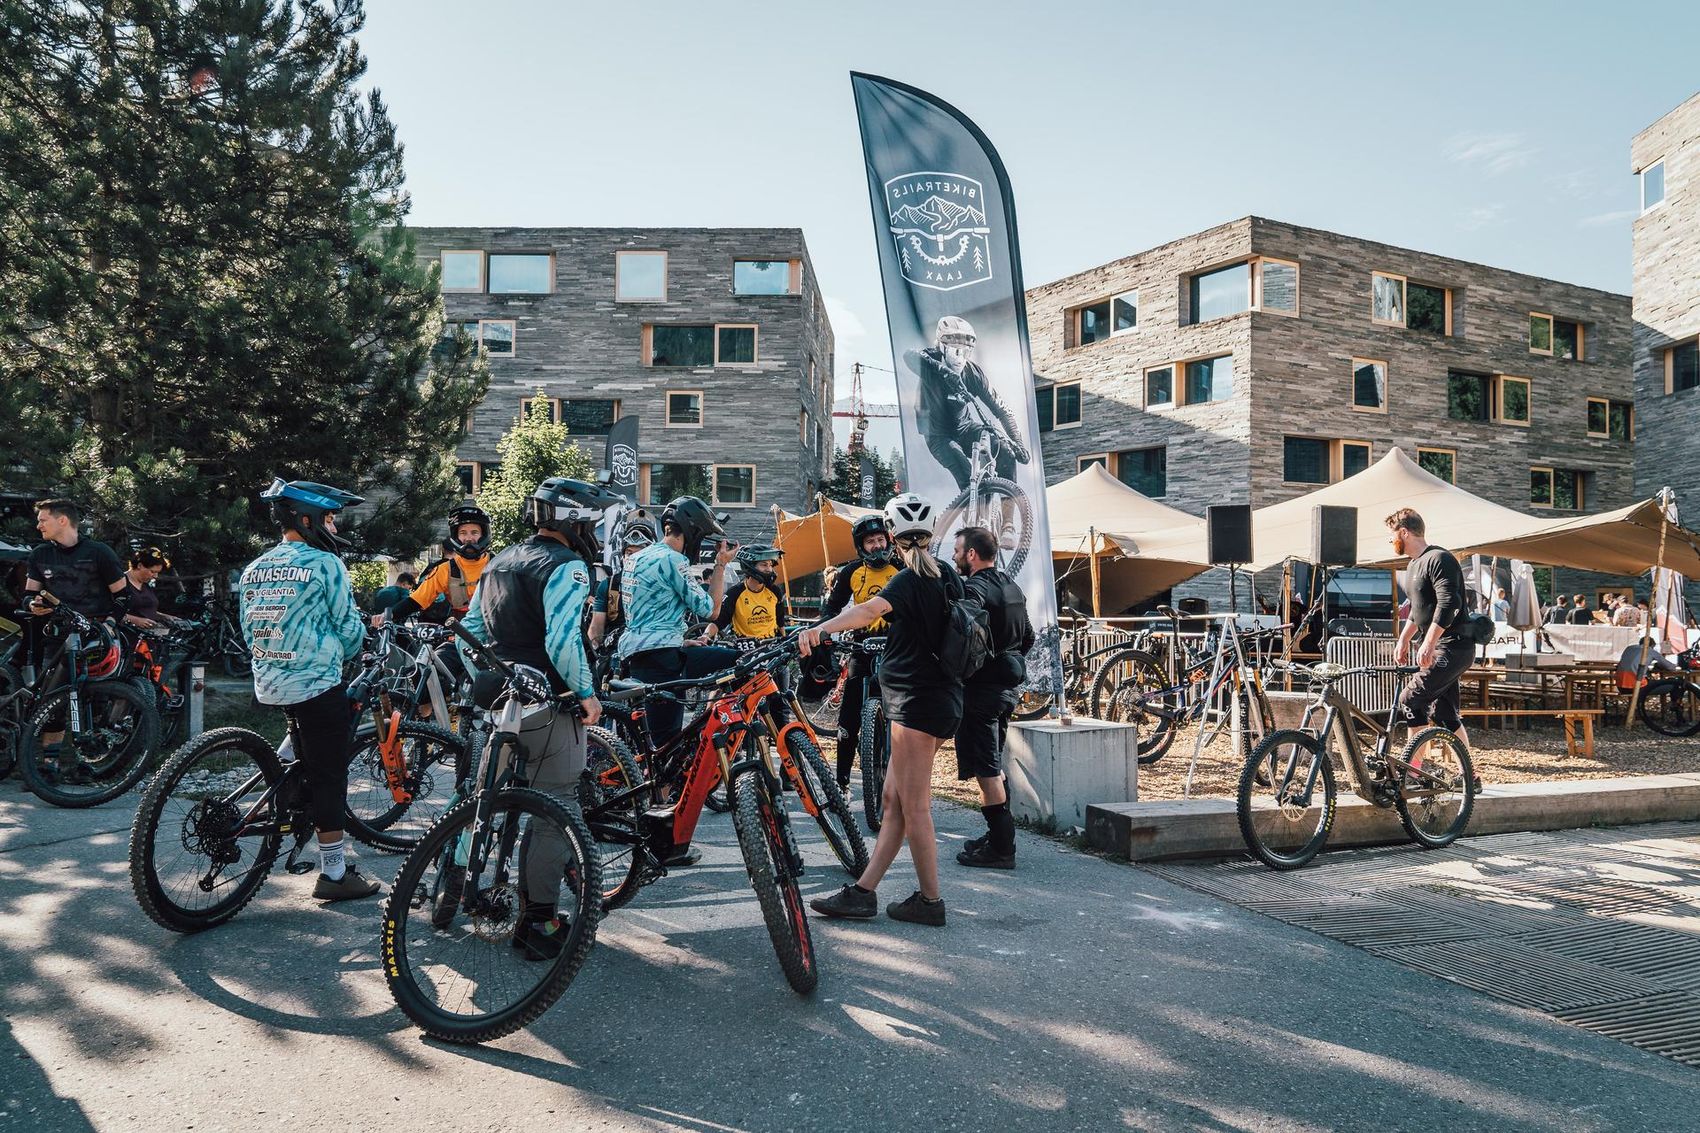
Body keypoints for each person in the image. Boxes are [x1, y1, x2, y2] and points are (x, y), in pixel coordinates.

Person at [455, 477, 610, 957]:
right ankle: (539, 922)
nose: (594, 529)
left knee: (482, 798)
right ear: (572, 520)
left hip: (498, 699)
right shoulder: (568, 567)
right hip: (547, 702)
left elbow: (469, 633)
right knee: (555, 807)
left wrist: (492, 674)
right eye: (591, 520)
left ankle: (452, 890)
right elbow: (563, 642)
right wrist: (586, 693)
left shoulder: (499, 560)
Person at [804, 493, 963, 927]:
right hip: (937, 700)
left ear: (893, 536)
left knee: (915, 807)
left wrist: (820, 629)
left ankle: (931, 902)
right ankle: (863, 893)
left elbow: (869, 610)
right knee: (892, 800)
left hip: (916, 705)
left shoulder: (909, 579)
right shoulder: (948, 574)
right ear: (931, 536)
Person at [238, 478, 379, 902]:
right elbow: (349, 630)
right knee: (329, 776)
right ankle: (334, 873)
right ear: (309, 518)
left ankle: (284, 782)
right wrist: (357, 642)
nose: (334, 529)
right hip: (315, 682)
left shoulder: (255, 566)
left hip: (269, 679)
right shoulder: (325, 564)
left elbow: (248, 627)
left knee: (304, 743)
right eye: (331, 519)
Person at [615, 496, 738, 746]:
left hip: (637, 655)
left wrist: (680, 641)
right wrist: (720, 565)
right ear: (691, 532)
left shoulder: (635, 558)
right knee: (666, 744)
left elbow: (648, 612)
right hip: (663, 661)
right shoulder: (673, 560)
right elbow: (712, 611)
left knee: (653, 740)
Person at [951, 526, 1034, 870]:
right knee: (993, 765)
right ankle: (996, 836)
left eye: (957, 550)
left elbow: (962, 631)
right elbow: (1027, 635)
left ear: (971, 554)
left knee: (986, 770)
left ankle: (1002, 848)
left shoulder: (975, 589)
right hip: (1006, 689)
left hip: (983, 692)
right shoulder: (1011, 586)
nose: (954, 556)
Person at [903, 316, 1031, 492]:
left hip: (965, 428)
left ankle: (1008, 517)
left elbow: (1002, 411)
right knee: (966, 476)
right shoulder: (930, 360)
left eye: (966, 352)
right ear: (941, 347)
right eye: (955, 351)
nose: (960, 358)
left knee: (1005, 450)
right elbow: (908, 356)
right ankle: (969, 509)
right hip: (938, 436)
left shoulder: (973, 373)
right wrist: (944, 372)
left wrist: (1018, 442)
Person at [821, 513, 899, 789]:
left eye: (880, 539)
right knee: (849, 715)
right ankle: (841, 783)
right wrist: (825, 632)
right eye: (870, 542)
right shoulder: (851, 572)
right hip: (861, 646)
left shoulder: (902, 568)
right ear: (860, 546)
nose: (877, 545)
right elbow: (831, 608)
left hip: (896, 648)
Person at [1387, 508, 1471, 751]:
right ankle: (1469, 775)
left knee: (1410, 700)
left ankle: (1413, 771)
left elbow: (1449, 603)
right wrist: (1404, 640)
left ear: (1404, 532)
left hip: (1454, 646)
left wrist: (1429, 642)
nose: (1391, 541)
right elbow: (1418, 608)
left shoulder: (1439, 559)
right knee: (1446, 715)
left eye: (1392, 536)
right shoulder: (1413, 565)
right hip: (1442, 647)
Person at [381, 504, 491, 625]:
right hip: (462, 633)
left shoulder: (499, 565)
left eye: (474, 532)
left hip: (498, 632)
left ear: (483, 535)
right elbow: (416, 600)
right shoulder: (445, 570)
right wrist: (387, 616)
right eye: (463, 533)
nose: (469, 538)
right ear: (456, 536)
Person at [24, 499, 126, 619]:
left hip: (95, 631)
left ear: (62, 520)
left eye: (43, 521)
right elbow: (29, 596)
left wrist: (110, 624)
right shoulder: (39, 554)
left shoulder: (99, 552)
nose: (38, 526)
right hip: (55, 631)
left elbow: (124, 597)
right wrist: (33, 604)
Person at [588, 511, 656, 653]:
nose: (633, 558)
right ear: (622, 556)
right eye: (629, 553)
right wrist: (591, 654)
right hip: (615, 654)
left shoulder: (662, 584)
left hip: (653, 652)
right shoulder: (609, 585)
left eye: (640, 553)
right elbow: (596, 630)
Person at [708, 545, 788, 643]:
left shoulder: (775, 590)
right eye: (764, 565)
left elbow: (780, 620)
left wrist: (784, 640)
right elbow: (719, 622)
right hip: (744, 646)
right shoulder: (735, 593)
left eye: (770, 565)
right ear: (750, 566)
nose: (769, 569)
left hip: (771, 644)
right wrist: (704, 636)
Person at [120, 547, 188, 632]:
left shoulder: (146, 585)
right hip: (126, 637)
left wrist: (165, 617)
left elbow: (145, 611)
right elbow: (107, 611)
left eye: (157, 572)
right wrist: (135, 620)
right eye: (152, 572)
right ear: (139, 565)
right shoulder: (120, 582)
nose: (155, 576)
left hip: (149, 637)